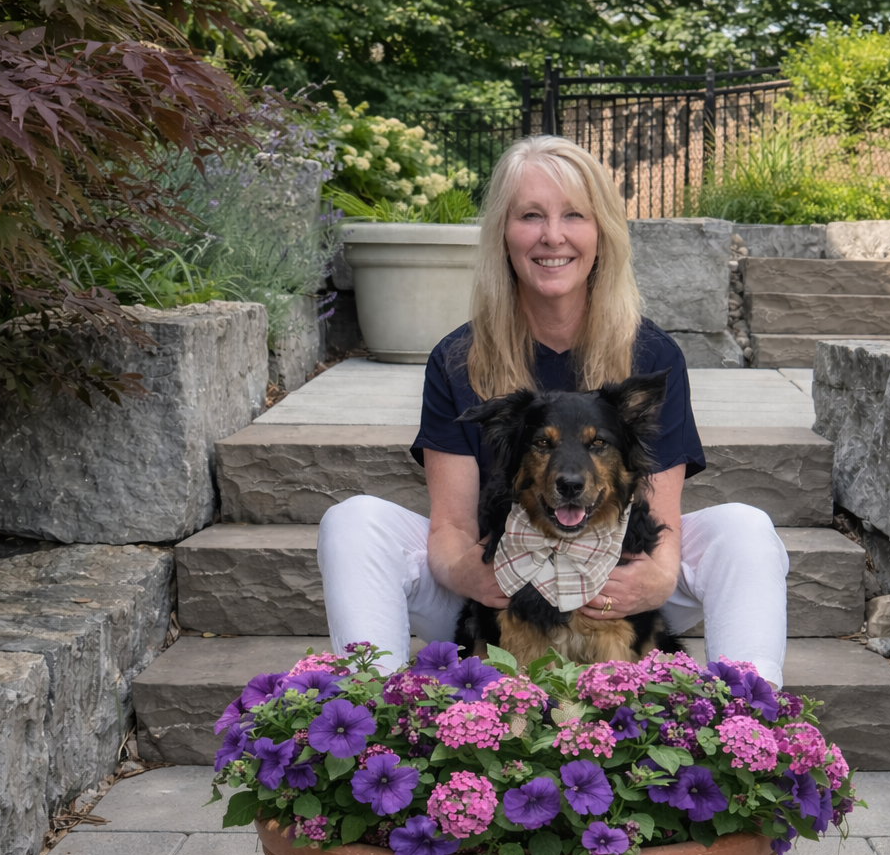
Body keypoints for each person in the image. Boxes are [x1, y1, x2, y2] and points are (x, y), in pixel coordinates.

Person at [317, 135, 790, 683]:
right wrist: (476, 576)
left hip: (614, 588)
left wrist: (656, 579)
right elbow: (451, 526)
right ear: (503, 233)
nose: (552, 236)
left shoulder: (652, 353)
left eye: (574, 215)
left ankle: (750, 709)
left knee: (745, 528)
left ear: (601, 232)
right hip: (499, 596)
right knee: (352, 522)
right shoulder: (458, 358)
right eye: (531, 216)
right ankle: (369, 704)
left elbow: (659, 516)